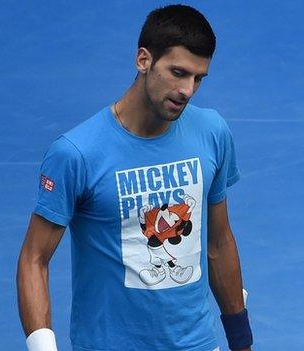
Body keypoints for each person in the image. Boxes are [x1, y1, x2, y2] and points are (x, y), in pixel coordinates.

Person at [17, 5, 252, 351]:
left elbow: (219, 243)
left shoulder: (213, 131)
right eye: (178, 72)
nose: (187, 90)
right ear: (143, 60)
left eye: (198, 78)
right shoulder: (76, 153)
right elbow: (34, 259)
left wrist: (242, 342)